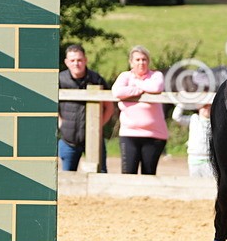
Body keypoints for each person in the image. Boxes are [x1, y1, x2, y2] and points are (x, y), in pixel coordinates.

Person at [57, 44, 114, 172]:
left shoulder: (96, 79)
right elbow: (50, 104)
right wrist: (60, 123)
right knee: (67, 178)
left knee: (100, 175)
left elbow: (109, 107)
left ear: (85, 60)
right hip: (68, 140)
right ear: (66, 62)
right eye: (72, 60)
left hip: (94, 139)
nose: (76, 63)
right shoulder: (60, 79)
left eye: (79, 60)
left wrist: (98, 125)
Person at [112, 46, 168, 174]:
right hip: (129, 133)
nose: (141, 62)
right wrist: (140, 90)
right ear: (131, 62)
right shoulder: (125, 76)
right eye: (137, 60)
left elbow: (156, 87)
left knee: (149, 173)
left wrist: (134, 86)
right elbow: (117, 91)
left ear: (148, 61)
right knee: (128, 173)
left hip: (154, 135)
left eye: (144, 59)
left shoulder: (156, 75)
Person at [173, 102, 214, 178]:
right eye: (204, 106)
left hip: (210, 160)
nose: (207, 109)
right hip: (194, 159)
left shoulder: (216, 121)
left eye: (210, 106)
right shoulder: (193, 118)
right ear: (199, 108)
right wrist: (183, 102)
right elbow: (176, 117)